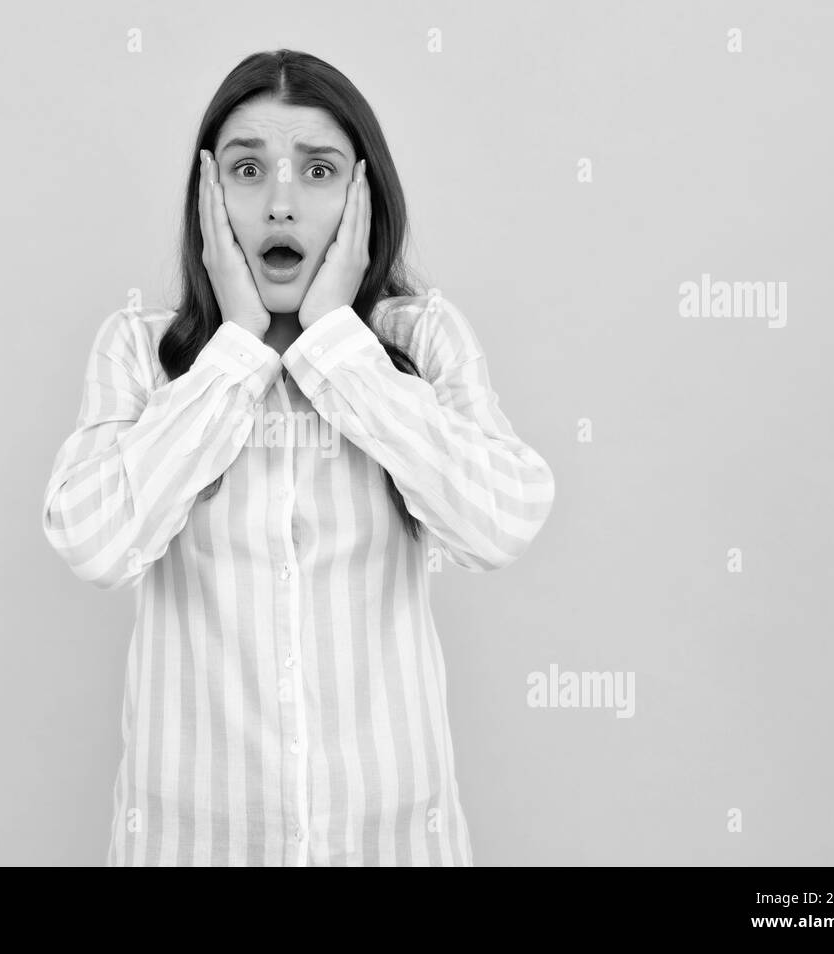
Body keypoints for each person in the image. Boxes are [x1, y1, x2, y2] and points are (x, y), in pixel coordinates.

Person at [42, 49, 556, 866]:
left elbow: (500, 525)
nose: (281, 203)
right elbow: (94, 542)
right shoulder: (141, 354)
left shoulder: (420, 342)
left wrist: (336, 346)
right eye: (247, 170)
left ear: (362, 197)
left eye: (318, 171)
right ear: (208, 199)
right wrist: (237, 349)